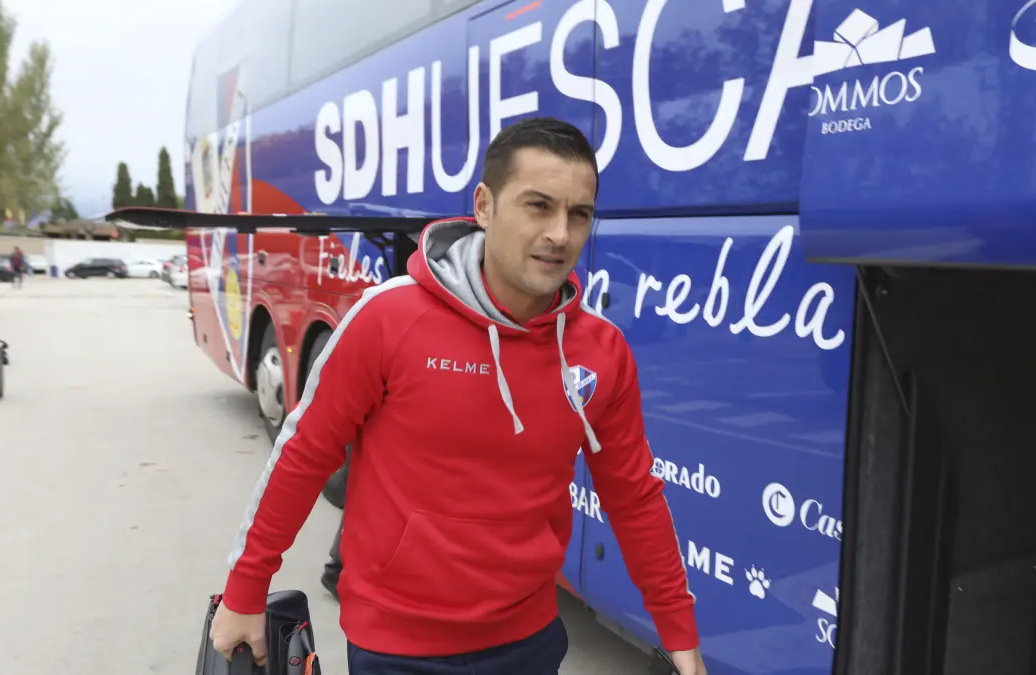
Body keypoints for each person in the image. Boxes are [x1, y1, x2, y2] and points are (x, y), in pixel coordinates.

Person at [210, 117, 707, 675]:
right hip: (395, 644)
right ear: (485, 206)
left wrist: (679, 634)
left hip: (530, 639)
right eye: (538, 206)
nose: (560, 234)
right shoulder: (390, 317)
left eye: (579, 214)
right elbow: (304, 454)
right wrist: (246, 589)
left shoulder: (602, 349)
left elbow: (634, 498)